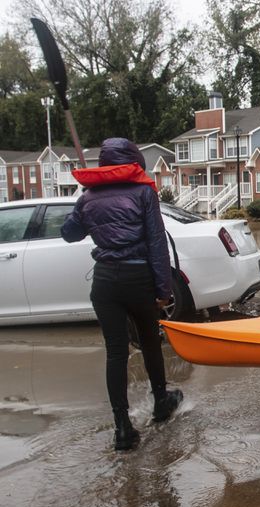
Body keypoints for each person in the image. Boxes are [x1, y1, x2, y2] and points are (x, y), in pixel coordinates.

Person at [61, 138, 183, 451]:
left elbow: (69, 234)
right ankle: (160, 402)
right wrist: (163, 290)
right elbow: (156, 243)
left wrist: (84, 205)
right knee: (149, 342)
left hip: (104, 282)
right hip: (137, 277)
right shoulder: (144, 192)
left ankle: (123, 428)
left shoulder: (88, 196)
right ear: (134, 161)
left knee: (115, 352)